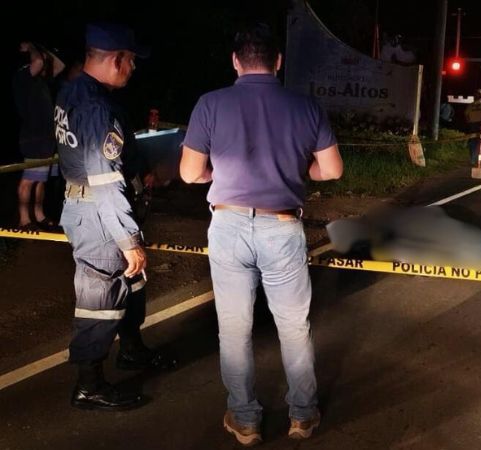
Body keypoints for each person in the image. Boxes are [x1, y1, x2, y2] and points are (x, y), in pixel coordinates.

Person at [180, 24, 342, 446]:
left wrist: (221, 174)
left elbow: (190, 172)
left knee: (234, 330)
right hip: (283, 226)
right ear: (278, 61)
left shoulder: (210, 104)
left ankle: (246, 419)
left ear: (236, 61)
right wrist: (298, 170)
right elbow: (332, 170)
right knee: (293, 326)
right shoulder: (305, 106)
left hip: (229, 226)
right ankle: (303, 416)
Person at [56, 23, 177, 412]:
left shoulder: (75, 91)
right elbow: (105, 182)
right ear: (115, 60)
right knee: (100, 296)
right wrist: (129, 240)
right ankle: (89, 384)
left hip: (94, 207)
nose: (134, 68)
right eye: (131, 61)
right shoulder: (97, 108)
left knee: (131, 283)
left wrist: (139, 170)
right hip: (100, 215)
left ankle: (132, 350)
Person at [13, 42, 65, 230]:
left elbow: (59, 66)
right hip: (33, 137)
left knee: (41, 180)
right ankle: (24, 219)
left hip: (47, 139)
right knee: (28, 180)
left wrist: (42, 48)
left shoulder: (40, 81)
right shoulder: (22, 76)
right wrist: (33, 48)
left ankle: (39, 214)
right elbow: (37, 61)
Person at [464, 89, 481, 165]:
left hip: (472, 125)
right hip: (480, 125)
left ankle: (473, 158)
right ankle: (474, 158)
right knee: (478, 142)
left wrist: (469, 123)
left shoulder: (471, 105)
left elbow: (466, 115)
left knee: (473, 142)